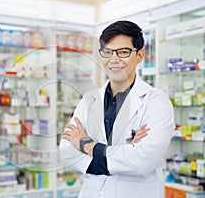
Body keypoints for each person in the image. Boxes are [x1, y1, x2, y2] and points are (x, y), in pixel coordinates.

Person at [59, 20, 174, 198]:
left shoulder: (156, 102)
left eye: (123, 52)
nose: (113, 59)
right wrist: (125, 152)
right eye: (107, 52)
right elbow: (67, 152)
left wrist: (86, 144)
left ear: (140, 55)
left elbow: (142, 161)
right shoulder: (89, 100)